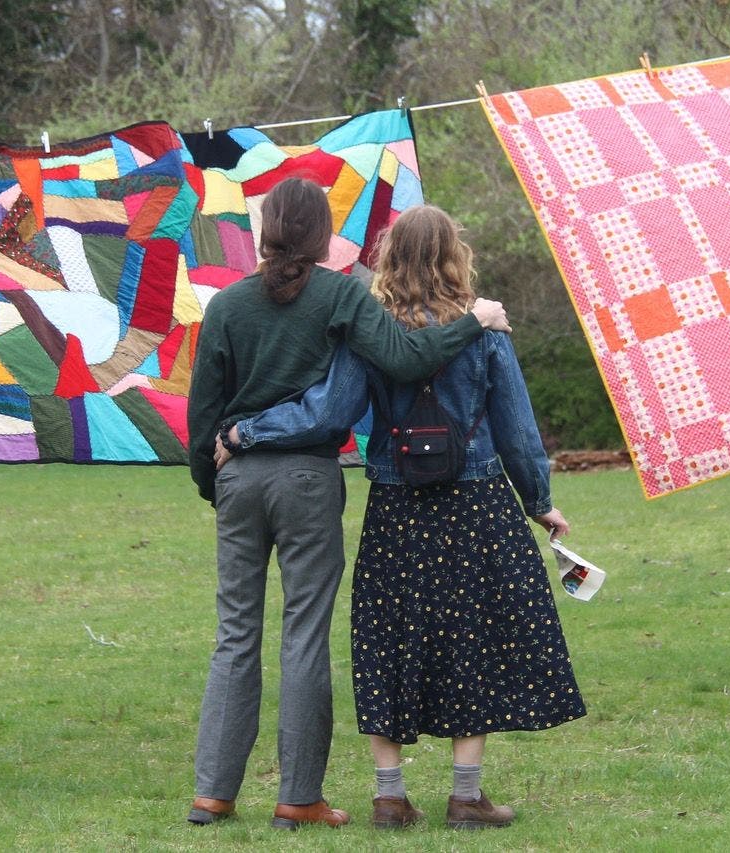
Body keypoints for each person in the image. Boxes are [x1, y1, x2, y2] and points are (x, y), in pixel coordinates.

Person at [217, 204, 586, 831]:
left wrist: (245, 430)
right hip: (476, 501)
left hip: (397, 505)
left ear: (388, 257)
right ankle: (467, 797)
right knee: (475, 638)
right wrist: (539, 500)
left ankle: (390, 796)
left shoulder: (370, 331)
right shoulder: (485, 327)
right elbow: (517, 428)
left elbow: (325, 412)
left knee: (387, 638)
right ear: (454, 255)